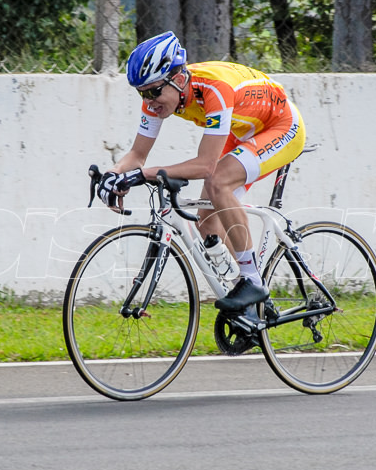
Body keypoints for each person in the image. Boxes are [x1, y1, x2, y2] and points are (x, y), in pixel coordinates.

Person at [97, 31, 306, 319]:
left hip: (281, 126)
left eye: (154, 92)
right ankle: (252, 309)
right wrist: (114, 174)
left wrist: (142, 175)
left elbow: (205, 165)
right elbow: (137, 155)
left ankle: (252, 281)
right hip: (242, 131)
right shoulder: (158, 95)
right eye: (142, 93)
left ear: (179, 79)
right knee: (208, 223)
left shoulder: (214, 90)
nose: (149, 101)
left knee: (218, 181)